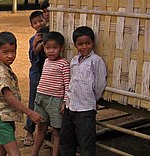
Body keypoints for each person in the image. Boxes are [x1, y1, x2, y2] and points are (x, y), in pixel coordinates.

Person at [0, 31, 43, 156]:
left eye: (13, 51)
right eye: (5, 52)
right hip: (0, 118)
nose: (10, 56)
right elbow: (9, 97)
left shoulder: (3, 67)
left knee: (1, 150)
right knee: (15, 153)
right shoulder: (2, 72)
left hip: (3, 117)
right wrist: (30, 112)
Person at [60, 26, 107, 156]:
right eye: (80, 44)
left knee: (86, 143)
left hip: (86, 109)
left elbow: (100, 84)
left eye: (88, 43)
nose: (84, 47)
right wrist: (67, 101)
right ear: (75, 45)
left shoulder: (96, 61)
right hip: (71, 107)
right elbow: (71, 83)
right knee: (66, 141)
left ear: (93, 43)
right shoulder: (74, 61)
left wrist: (92, 99)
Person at [31, 31, 70, 156]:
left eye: (55, 48)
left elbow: (67, 84)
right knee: (41, 127)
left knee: (56, 130)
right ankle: (34, 153)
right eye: (48, 48)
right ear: (44, 48)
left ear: (61, 48)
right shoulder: (46, 61)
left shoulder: (64, 64)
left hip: (56, 100)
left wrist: (65, 102)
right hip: (41, 97)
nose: (51, 51)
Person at [22, 10, 47, 146]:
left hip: (50, 75)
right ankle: (29, 131)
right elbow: (33, 57)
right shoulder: (34, 39)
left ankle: (44, 132)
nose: (38, 24)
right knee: (33, 101)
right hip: (37, 74)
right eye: (35, 23)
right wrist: (36, 44)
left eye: (40, 21)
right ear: (32, 26)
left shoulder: (51, 34)